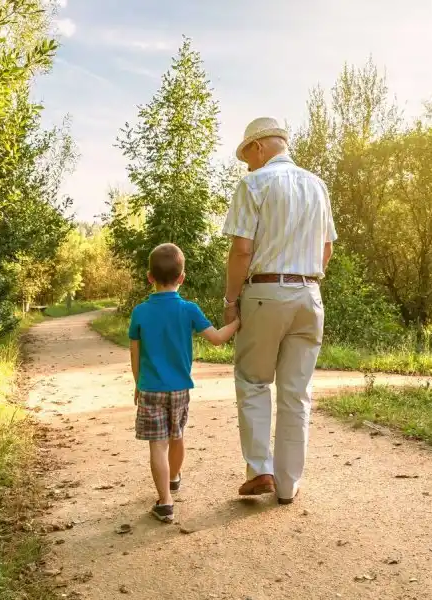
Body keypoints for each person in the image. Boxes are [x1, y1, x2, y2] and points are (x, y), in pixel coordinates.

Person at [221, 117, 337, 505]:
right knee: (296, 392)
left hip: (265, 293)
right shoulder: (317, 185)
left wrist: (230, 301)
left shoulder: (254, 183)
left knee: (254, 381)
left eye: (247, 157)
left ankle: (260, 470)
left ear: (258, 148)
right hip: (310, 295)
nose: (247, 165)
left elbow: (241, 250)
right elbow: (327, 250)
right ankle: (288, 485)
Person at [129, 243, 240, 522]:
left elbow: (135, 352)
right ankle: (174, 477)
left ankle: (165, 502)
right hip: (180, 388)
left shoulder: (140, 312)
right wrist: (239, 321)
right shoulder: (188, 309)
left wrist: (137, 383)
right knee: (176, 435)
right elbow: (216, 338)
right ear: (182, 277)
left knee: (157, 445)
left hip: (150, 388)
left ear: (149, 277)